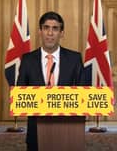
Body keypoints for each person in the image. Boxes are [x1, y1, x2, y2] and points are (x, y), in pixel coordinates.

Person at [17, 11, 85, 151]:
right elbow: (20, 95)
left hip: (68, 128)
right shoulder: (27, 60)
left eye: (55, 28)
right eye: (46, 28)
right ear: (40, 31)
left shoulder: (74, 58)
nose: (50, 33)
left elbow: (83, 93)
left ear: (62, 33)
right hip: (36, 129)